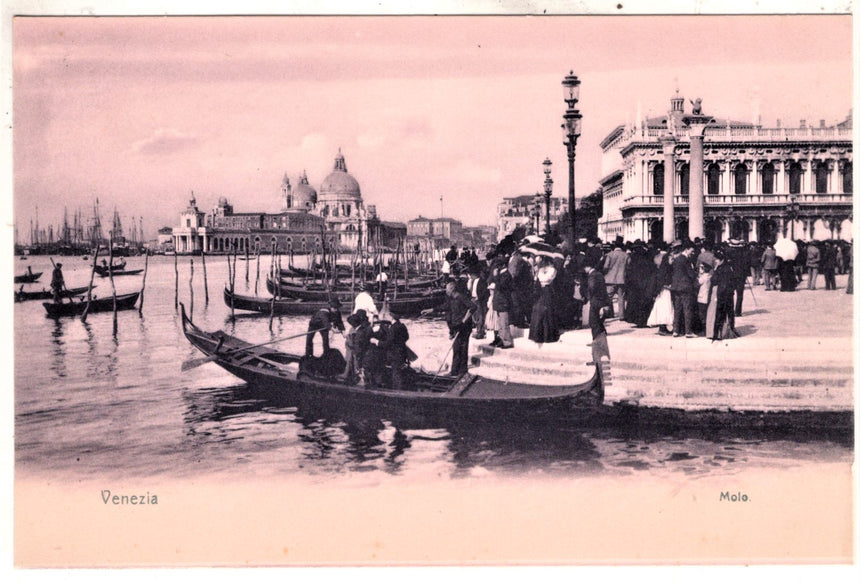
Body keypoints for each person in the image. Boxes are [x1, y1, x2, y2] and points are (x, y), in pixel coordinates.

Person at [445, 281, 477, 376]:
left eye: (447, 289)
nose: (446, 291)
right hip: (456, 326)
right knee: (456, 348)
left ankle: (462, 370)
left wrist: (464, 320)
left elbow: (473, 307)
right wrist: (432, 309)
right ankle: (455, 370)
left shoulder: (461, 297)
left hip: (464, 327)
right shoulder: (452, 299)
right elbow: (447, 307)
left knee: (462, 348)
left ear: (452, 289)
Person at [528, 255, 560, 344]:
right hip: (539, 290)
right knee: (537, 310)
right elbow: (537, 279)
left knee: (547, 311)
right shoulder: (541, 269)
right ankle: (536, 335)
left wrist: (539, 273)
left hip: (547, 290)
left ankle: (548, 335)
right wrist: (536, 273)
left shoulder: (552, 269)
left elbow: (546, 279)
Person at [670, 241, 698, 338]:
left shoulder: (677, 259)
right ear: (686, 249)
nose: (692, 252)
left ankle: (676, 330)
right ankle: (688, 331)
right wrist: (696, 274)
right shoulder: (686, 260)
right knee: (687, 309)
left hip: (676, 287)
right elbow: (691, 274)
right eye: (691, 250)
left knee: (677, 309)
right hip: (685, 287)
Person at [338, 309, 372, 384]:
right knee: (351, 360)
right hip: (356, 348)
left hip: (357, 349)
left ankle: (350, 376)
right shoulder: (364, 326)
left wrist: (349, 340)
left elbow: (360, 341)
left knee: (353, 361)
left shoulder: (362, 329)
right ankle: (350, 374)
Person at [583, 254, 610, 340]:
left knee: (593, 322)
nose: (584, 269)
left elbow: (592, 287)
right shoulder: (599, 274)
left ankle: (596, 340)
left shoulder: (592, 275)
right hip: (602, 300)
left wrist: (587, 296)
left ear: (588, 267)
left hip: (595, 301)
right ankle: (602, 336)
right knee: (599, 321)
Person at [489, 257, 514, 349]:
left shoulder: (506, 275)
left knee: (504, 323)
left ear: (502, 265)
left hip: (503, 302)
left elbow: (500, 287)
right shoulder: (501, 275)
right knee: (500, 323)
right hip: (499, 302)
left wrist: (496, 277)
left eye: (498, 265)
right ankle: (502, 340)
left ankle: (507, 342)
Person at [602, 240, 628, 319]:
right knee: (621, 298)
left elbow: (606, 266)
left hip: (610, 279)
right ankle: (622, 316)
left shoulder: (609, 254)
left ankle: (609, 313)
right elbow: (628, 266)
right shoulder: (626, 255)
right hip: (621, 279)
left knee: (608, 297)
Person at [467, 266, 490, 340]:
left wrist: (479, 298)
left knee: (480, 316)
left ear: (474, 274)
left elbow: (484, 292)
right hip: (473, 299)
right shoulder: (471, 281)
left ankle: (480, 332)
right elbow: (469, 289)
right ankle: (477, 330)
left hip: (479, 300)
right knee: (475, 317)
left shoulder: (482, 281)